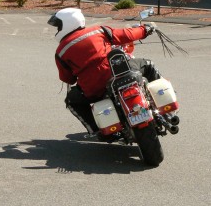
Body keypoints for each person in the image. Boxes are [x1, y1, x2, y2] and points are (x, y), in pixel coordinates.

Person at [47, 8, 161, 137]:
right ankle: (162, 106)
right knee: (149, 65)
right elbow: (127, 35)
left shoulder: (61, 52)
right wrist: (145, 29)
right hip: (118, 73)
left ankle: (95, 130)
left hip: (94, 90)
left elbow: (68, 79)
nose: (57, 29)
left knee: (72, 100)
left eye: (58, 26)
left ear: (67, 23)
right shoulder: (97, 30)